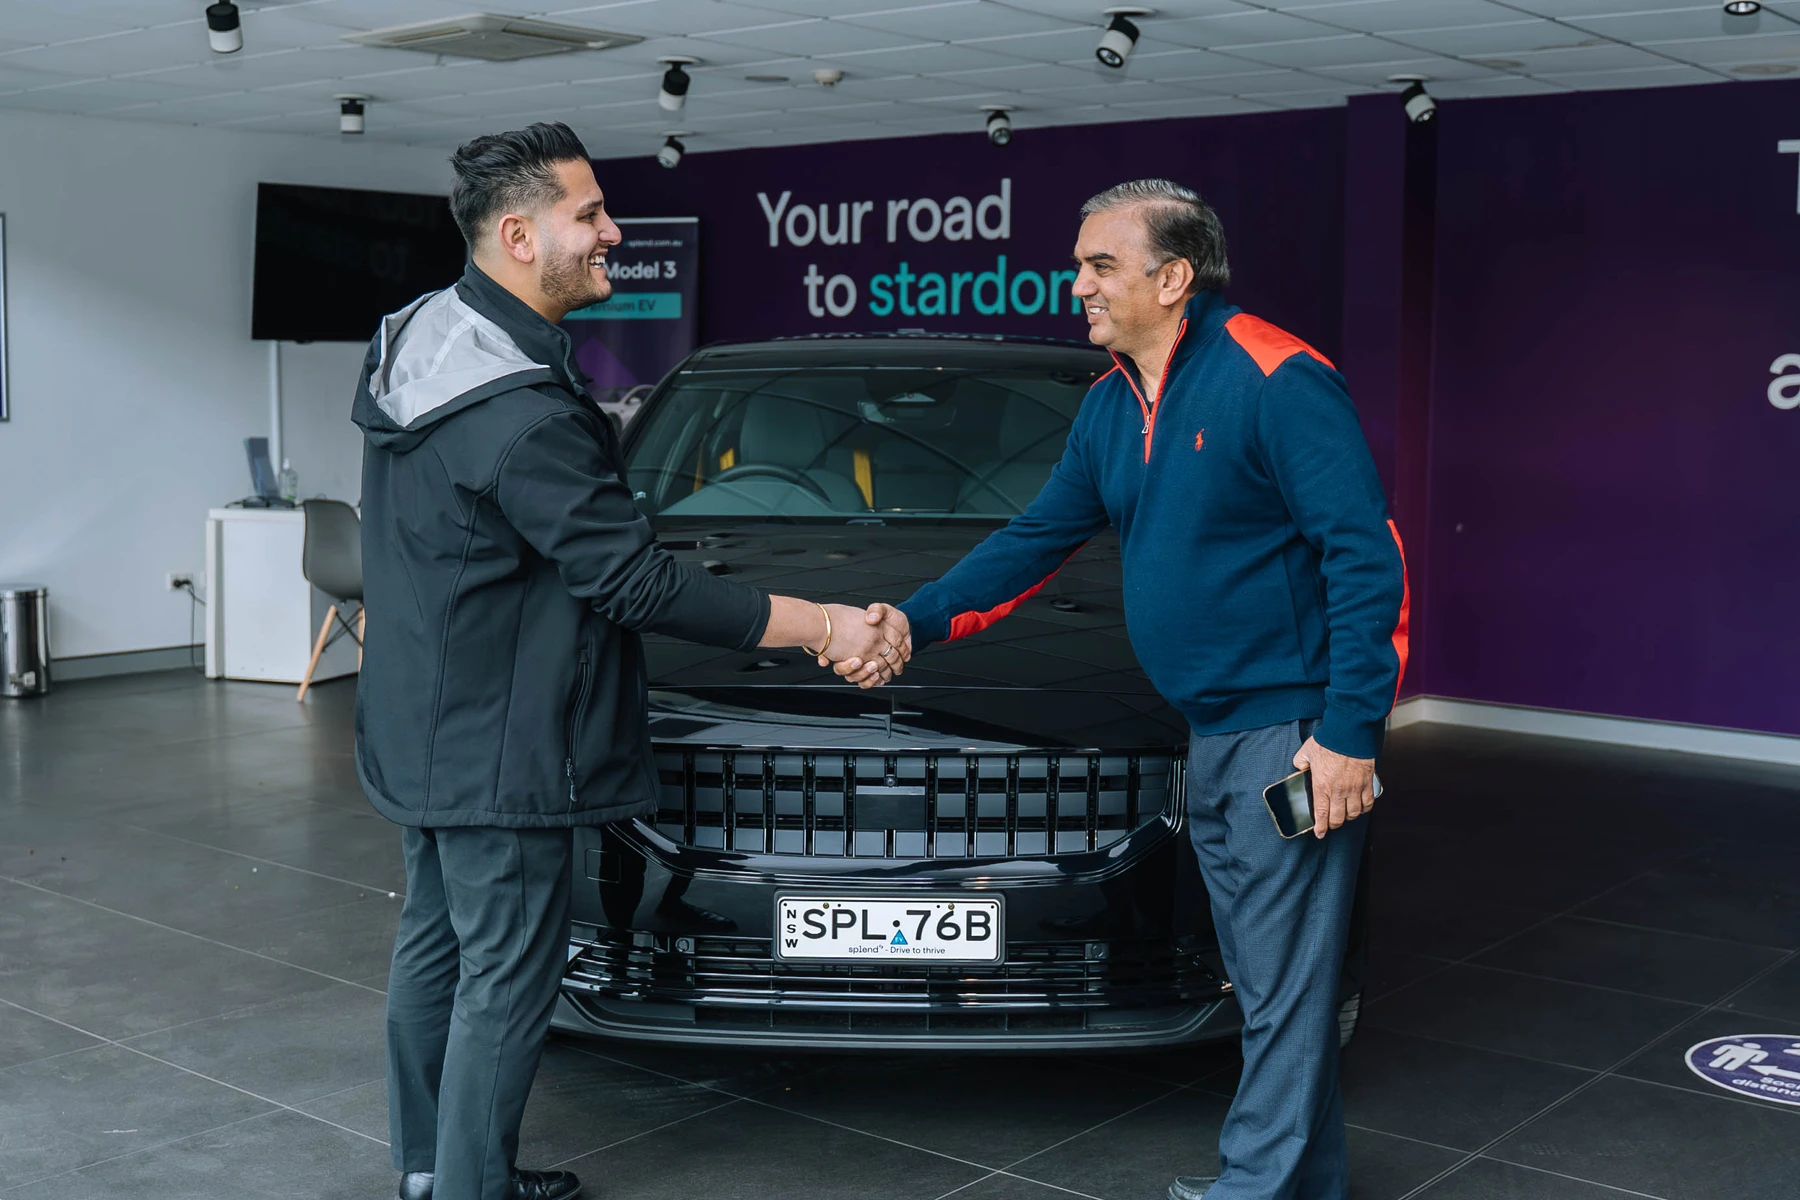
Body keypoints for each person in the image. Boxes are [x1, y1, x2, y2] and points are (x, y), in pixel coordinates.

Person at [351, 122, 910, 1200]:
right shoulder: (518, 414)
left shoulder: (422, 340)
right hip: (500, 743)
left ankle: (430, 1172)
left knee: (437, 943)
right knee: (505, 976)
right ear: (520, 237)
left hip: (423, 718)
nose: (614, 231)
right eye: (591, 214)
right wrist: (826, 626)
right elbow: (635, 584)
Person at [838, 179, 1409, 1200]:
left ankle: (1256, 1189)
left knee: (1282, 980)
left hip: (1291, 732)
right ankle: (1304, 1183)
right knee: (1272, 977)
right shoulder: (1110, 405)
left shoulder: (1276, 377)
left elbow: (1367, 559)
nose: (1080, 284)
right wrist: (911, 623)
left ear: (1173, 275)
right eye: (1080, 265)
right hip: (1210, 731)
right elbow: (1035, 540)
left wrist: (1349, 734)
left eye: (1101, 264)